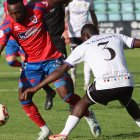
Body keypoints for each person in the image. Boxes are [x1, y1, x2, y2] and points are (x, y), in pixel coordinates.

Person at [0, 1, 101, 139]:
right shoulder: (7, 24)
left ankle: (89, 115)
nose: (15, 16)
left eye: (17, 12)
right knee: (23, 97)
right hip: (31, 65)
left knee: (66, 95)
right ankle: (45, 130)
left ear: (24, 7)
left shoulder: (37, 7)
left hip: (52, 59)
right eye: (11, 13)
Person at [22, 23, 140, 140]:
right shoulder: (116, 36)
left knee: (83, 102)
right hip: (127, 83)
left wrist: (37, 87)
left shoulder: (83, 46)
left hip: (105, 84)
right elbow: (136, 42)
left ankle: (63, 134)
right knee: (127, 100)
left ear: (85, 36)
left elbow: (61, 70)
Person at [65, 0, 98, 89]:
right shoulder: (70, 2)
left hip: (85, 34)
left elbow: (93, 15)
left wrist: (96, 27)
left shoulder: (89, 2)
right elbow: (65, 16)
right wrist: (63, 29)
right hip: (73, 34)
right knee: (74, 59)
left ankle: (86, 83)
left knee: (88, 58)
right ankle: (73, 77)